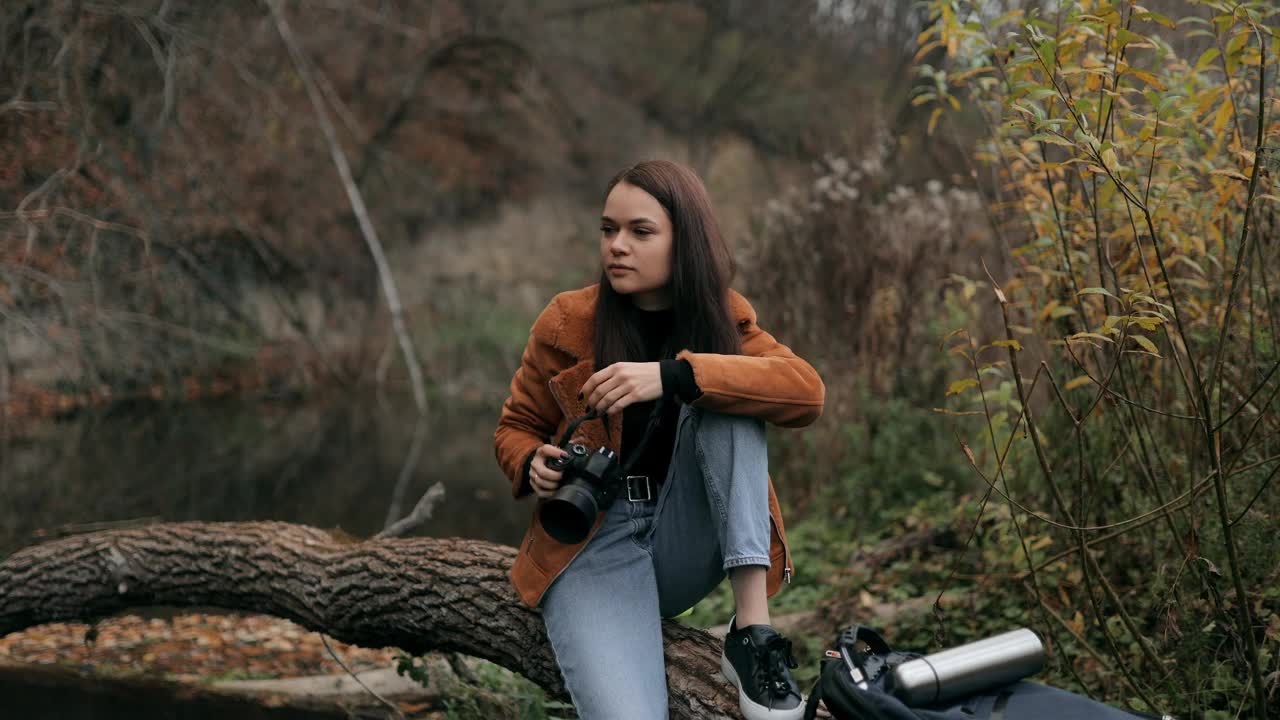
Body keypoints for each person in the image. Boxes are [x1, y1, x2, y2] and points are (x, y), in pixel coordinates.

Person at [493, 159, 825, 720]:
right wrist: (532, 463)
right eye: (608, 230)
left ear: (684, 241)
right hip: (595, 542)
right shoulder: (566, 322)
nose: (617, 246)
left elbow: (805, 392)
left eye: (640, 232)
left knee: (726, 394)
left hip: (687, 534)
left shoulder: (723, 316)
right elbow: (514, 428)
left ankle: (752, 633)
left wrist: (675, 374)